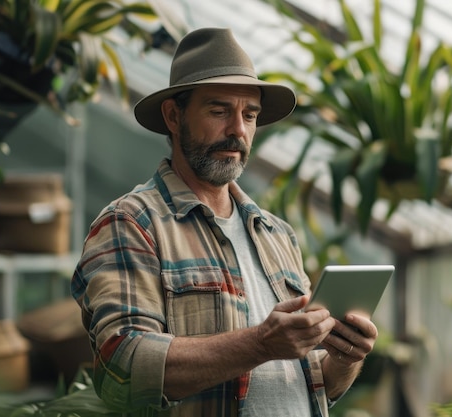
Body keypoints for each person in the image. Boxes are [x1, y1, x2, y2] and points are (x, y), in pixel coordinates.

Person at [71, 27, 378, 417]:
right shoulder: (131, 223)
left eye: (249, 115)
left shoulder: (277, 234)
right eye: (219, 111)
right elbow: (125, 368)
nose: (238, 130)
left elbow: (308, 383)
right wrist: (261, 344)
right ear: (173, 116)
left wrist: (345, 357)